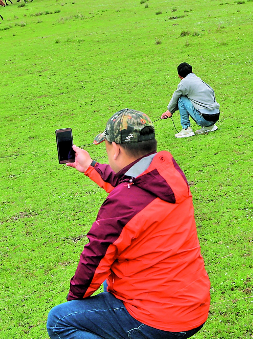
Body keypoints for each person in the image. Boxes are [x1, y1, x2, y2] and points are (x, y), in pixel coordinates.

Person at [46, 109, 210, 339]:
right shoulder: (167, 175)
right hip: (193, 303)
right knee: (109, 285)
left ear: (116, 149)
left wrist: (75, 303)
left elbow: (94, 261)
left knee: (60, 320)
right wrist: (89, 166)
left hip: (161, 318)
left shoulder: (122, 204)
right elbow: (130, 186)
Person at [161, 62, 220, 138]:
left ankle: (186, 129)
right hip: (216, 116)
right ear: (192, 72)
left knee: (181, 98)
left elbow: (176, 96)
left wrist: (169, 111)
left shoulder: (184, 83)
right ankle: (209, 127)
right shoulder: (199, 80)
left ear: (179, 76)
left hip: (205, 119)